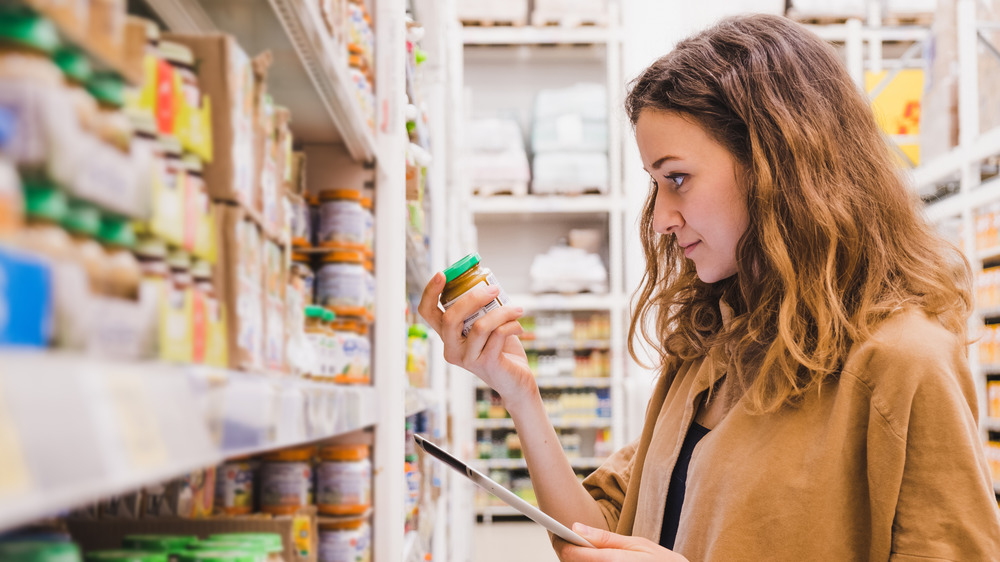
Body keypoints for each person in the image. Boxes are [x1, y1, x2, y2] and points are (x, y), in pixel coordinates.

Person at [419, 13, 1000, 561]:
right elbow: (597, 535)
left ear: (779, 164)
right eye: (655, 185)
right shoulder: (708, 350)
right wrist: (518, 392)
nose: (660, 218)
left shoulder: (903, 363)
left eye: (678, 179)